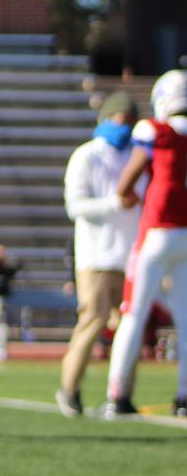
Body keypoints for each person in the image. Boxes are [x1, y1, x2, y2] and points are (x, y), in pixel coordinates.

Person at [104, 70, 187, 419]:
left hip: (156, 231)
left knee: (133, 314)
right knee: (186, 318)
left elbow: (126, 184)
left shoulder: (154, 130)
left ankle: (117, 395)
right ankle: (183, 397)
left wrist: (127, 197)